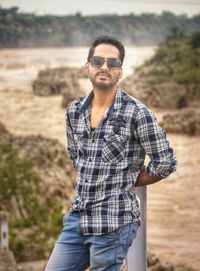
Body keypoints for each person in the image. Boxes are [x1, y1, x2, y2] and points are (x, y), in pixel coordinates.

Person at [45, 36, 177, 271]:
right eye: (98, 61)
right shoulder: (74, 111)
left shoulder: (137, 113)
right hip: (78, 219)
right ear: (87, 66)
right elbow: (76, 156)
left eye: (112, 63)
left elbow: (166, 161)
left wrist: (133, 178)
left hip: (113, 222)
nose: (104, 67)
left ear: (120, 72)